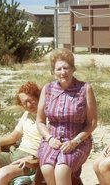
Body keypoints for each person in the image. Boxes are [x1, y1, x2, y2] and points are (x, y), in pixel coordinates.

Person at [36, 48, 97, 185]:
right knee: (46, 168)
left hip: (77, 140)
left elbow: (92, 123)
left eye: (66, 68)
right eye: (58, 69)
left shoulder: (84, 88)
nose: (63, 72)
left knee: (61, 170)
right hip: (52, 140)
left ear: (73, 69)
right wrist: (49, 138)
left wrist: (75, 142)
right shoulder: (47, 89)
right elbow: (40, 121)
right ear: (53, 71)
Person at [0, 82, 42, 185]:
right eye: (24, 102)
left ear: (38, 98)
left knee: (3, 173)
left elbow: (51, 145)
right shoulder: (26, 114)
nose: (28, 105)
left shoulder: (48, 117)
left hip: (32, 160)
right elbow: (14, 136)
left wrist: (33, 158)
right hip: (16, 153)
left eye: (31, 100)